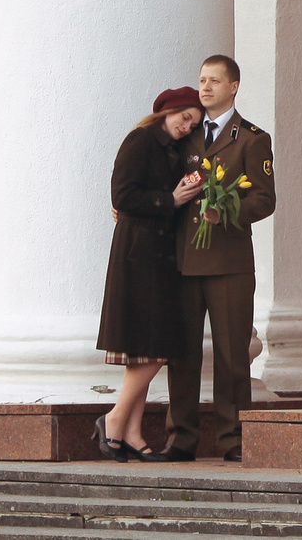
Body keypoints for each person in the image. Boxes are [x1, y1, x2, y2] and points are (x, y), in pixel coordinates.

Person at [159, 54, 275, 462]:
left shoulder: (252, 138)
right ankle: (181, 439)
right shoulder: (184, 134)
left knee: (231, 355)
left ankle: (233, 439)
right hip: (185, 261)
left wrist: (226, 211)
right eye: (202, 80)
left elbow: (264, 199)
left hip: (229, 264)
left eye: (214, 81)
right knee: (182, 355)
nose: (205, 88)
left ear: (233, 87)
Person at [95, 88, 207, 461]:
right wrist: (169, 200)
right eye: (184, 117)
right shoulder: (141, 140)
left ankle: (130, 430)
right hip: (137, 254)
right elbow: (122, 196)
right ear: (167, 111)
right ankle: (114, 419)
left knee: (147, 348)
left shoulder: (174, 151)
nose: (186, 126)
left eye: (193, 122)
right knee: (155, 348)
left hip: (159, 257)